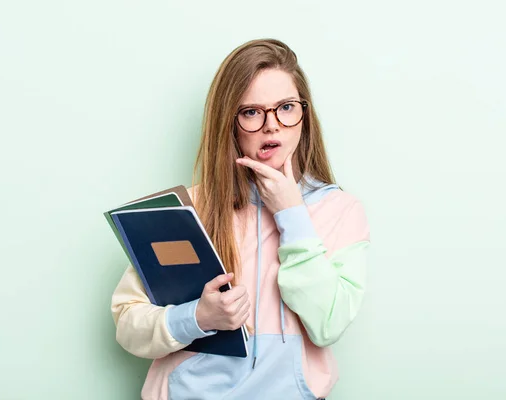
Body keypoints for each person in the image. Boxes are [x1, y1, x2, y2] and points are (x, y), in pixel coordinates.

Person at [111, 38, 371, 400]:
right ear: (229, 123)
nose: (272, 126)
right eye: (251, 112)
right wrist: (198, 317)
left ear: (304, 117)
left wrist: (291, 215)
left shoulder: (340, 210)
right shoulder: (189, 209)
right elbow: (128, 324)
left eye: (286, 107)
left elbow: (328, 325)